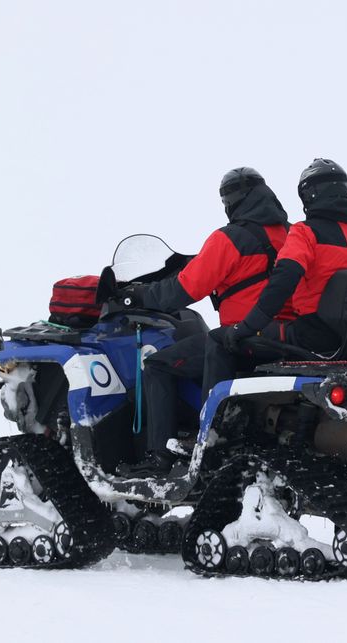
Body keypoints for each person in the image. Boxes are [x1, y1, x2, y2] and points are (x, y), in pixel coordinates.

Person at [115, 167, 294, 476]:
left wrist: (140, 296)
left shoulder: (231, 238)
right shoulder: (292, 234)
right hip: (288, 335)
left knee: (157, 365)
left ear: (232, 200)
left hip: (241, 336)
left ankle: (160, 456)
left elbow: (186, 288)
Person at [210, 158, 347, 383]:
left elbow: (283, 279)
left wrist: (246, 327)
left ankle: (208, 416)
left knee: (219, 340)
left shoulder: (305, 232)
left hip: (313, 338)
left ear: (309, 195)